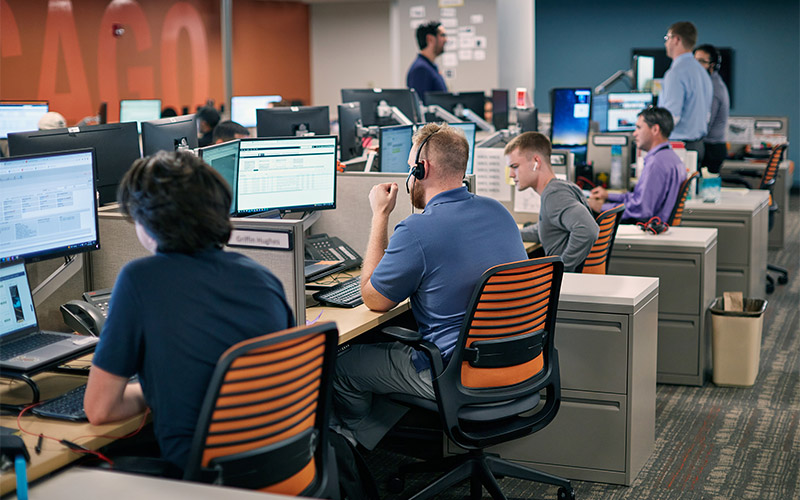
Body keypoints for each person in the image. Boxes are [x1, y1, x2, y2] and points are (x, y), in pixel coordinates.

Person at [84, 150, 294, 474]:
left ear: (148, 221)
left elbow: (101, 409)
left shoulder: (140, 279)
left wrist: (153, 389)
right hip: (285, 466)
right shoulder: (264, 278)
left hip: (203, 473)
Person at [332, 123, 527, 450]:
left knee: (342, 366)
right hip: (520, 364)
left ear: (423, 169)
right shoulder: (498, 211)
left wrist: (380, 215)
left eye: (411, 167)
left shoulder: (417, 230)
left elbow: (374, 299)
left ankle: (356, 444)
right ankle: (389, 440)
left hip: (458, 374)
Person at [506, 132, 599, 272]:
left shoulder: (554, 196)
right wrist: (513, 233)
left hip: (563, 282)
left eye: (515, 166)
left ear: (536, 162)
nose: (511, 174)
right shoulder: (563, 187)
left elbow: (588, 229)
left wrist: (562, 270)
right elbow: (546, 228)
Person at [588, 107, 686, 223]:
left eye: (639, 128)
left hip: (646, 226)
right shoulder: (671, 158)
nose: (634, 133)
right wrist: (608, 195)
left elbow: (641, 209)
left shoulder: (656, 163)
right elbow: (639, 198)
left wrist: (601, 207)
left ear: (655, 129)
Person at [660, 21, 713, 165]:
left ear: (676, 39)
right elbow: (707, 116)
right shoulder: (702, 72)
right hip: (698, 146)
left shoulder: (676, 73)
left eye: (667, 38)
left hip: (679, 148)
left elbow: (671, 117)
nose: (666, 43)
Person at [694, 44, 730, 173]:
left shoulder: (713, 87)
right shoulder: (711, 83)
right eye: (694, 60)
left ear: (712, 65)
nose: (696, 65)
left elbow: (706, 123)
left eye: (701, 61)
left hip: (711, 149)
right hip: (710, 147)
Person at [406, 21, 448, 103]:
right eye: (442, 35)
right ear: (430, 39)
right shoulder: (420, 69)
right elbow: (420, 106)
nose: (446, 40)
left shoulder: (430, 66)